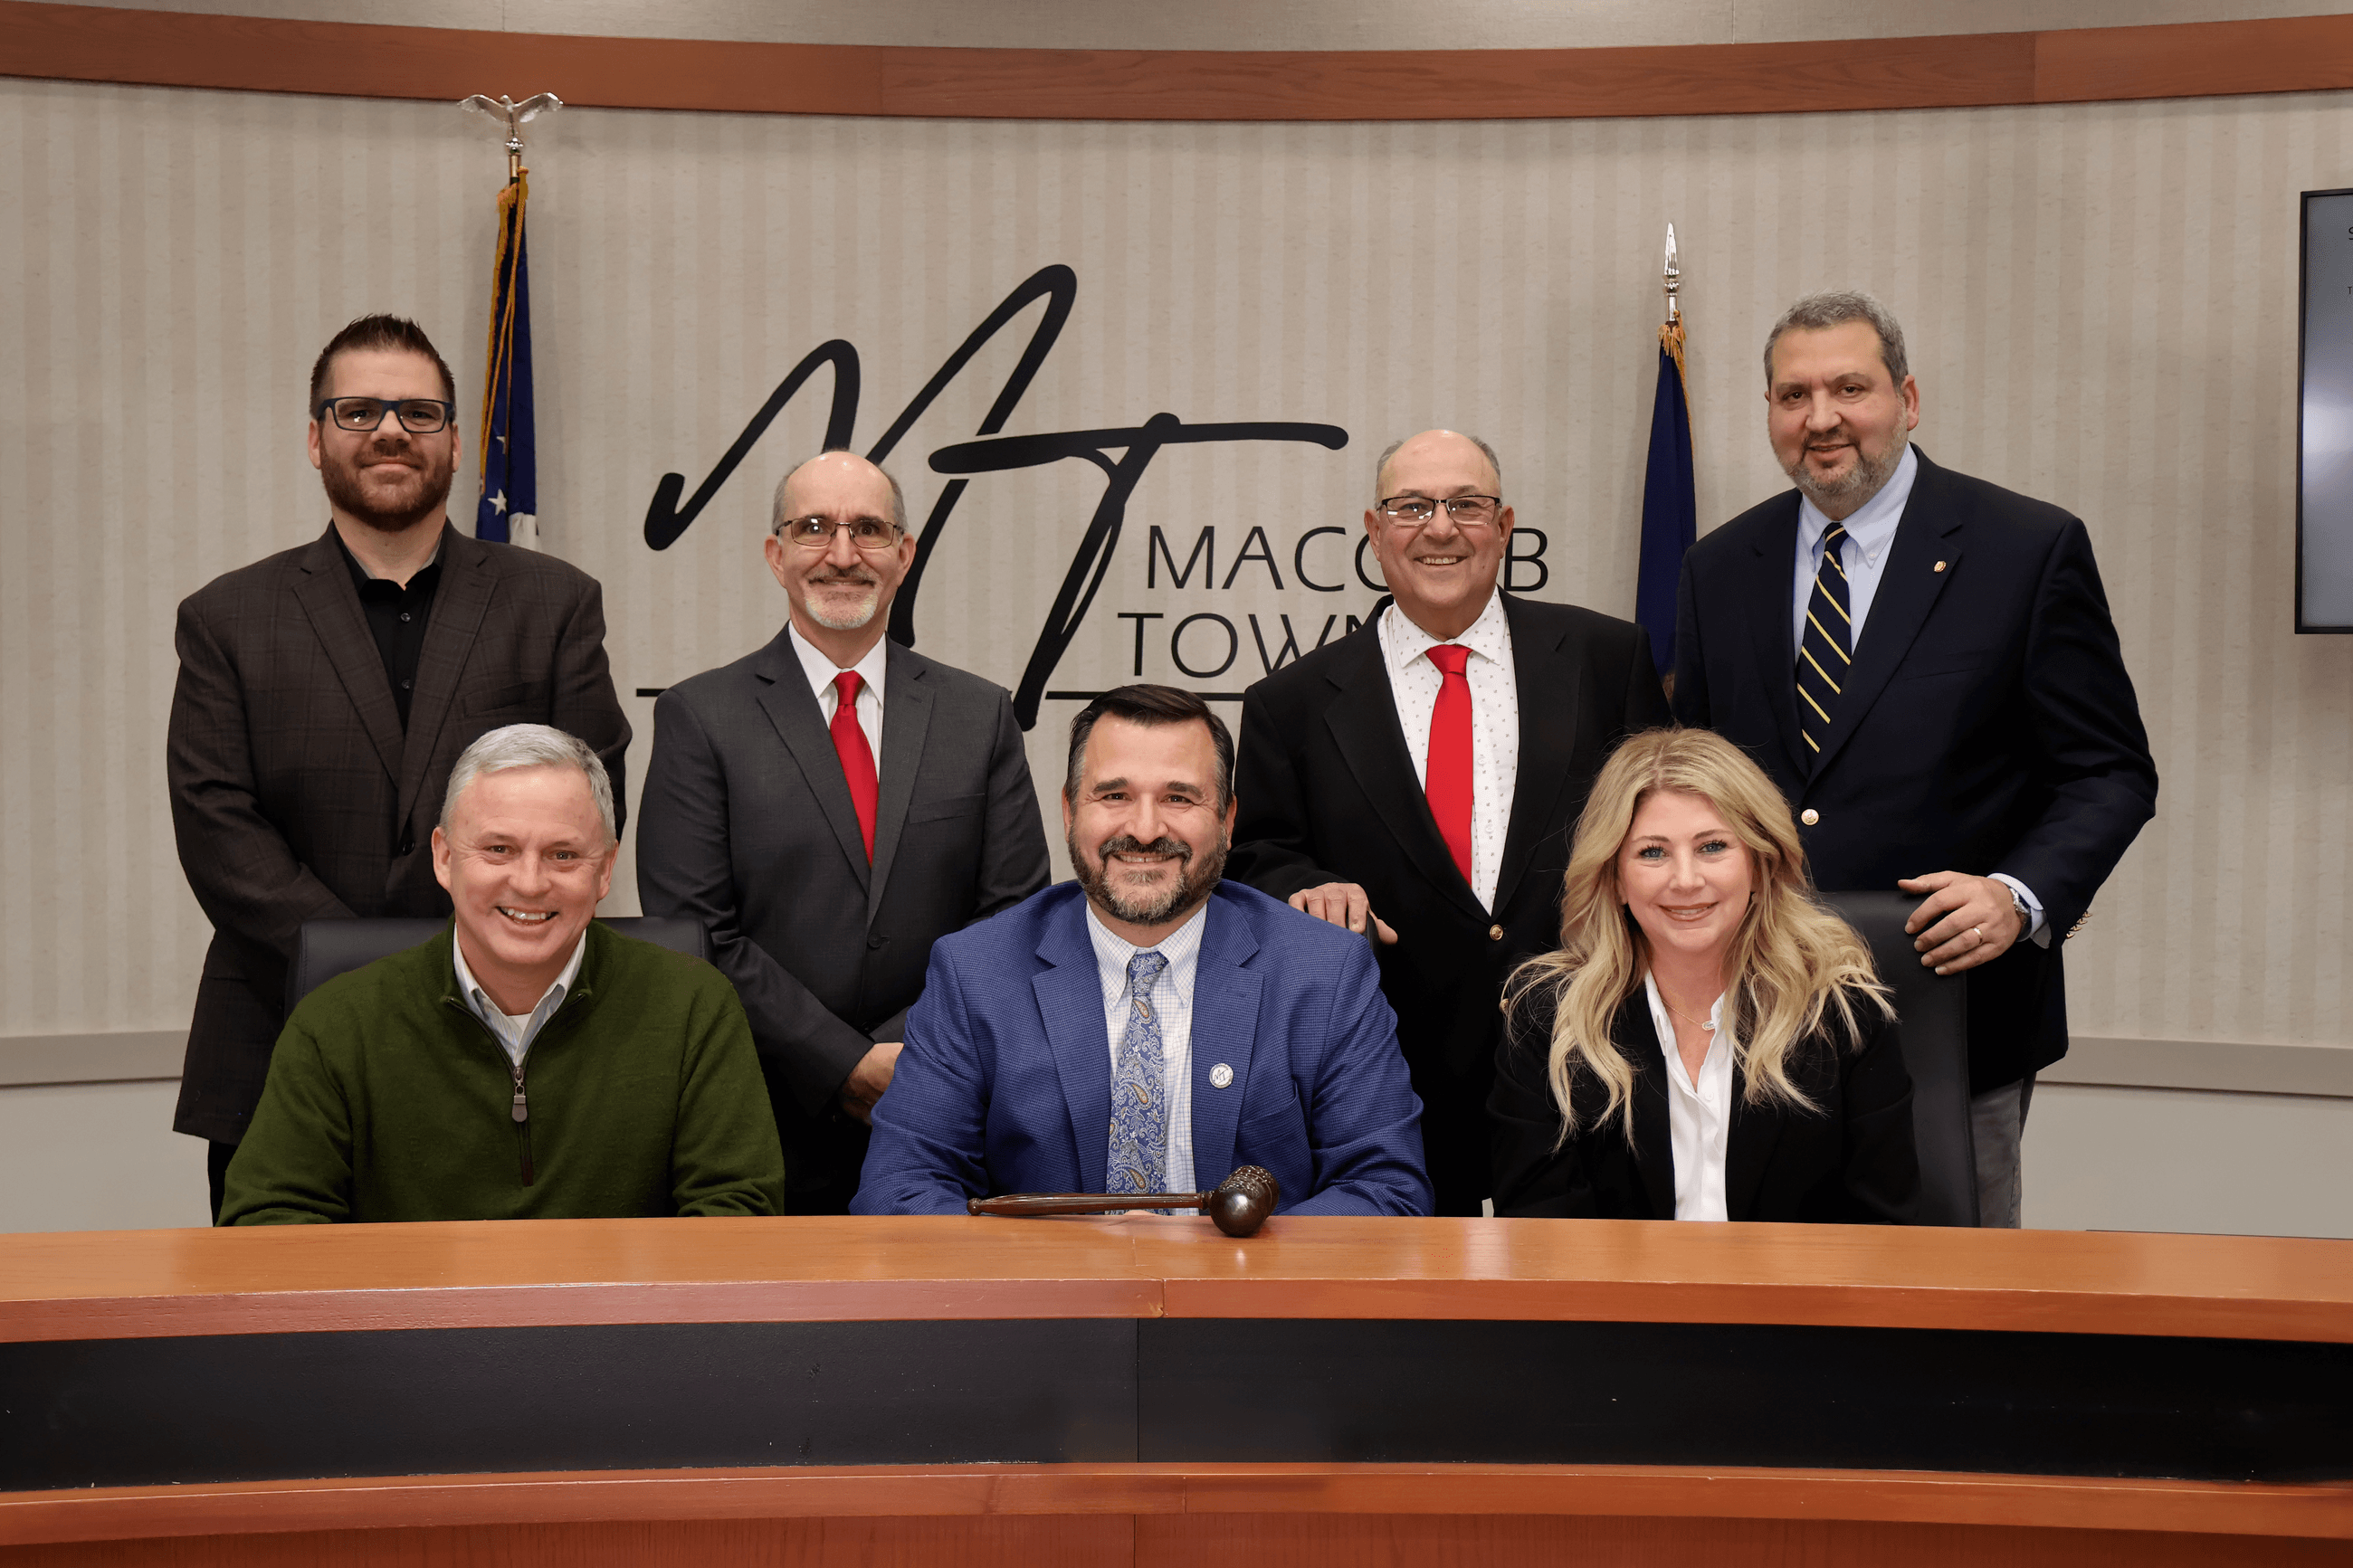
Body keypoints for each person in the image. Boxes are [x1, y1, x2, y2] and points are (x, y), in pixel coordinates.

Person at [1672, 290, 2158, 1227]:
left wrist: (2018, 895)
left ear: (1907, 398)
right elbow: (1695, 778)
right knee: (1758, 1304)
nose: (1820, 419)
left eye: (1848, 388)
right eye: (1791, 395)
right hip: (1753, 1010)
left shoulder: (2024, 547)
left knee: (1949, 1312)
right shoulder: (1717, 566)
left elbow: (2108, 770)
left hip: (1954, 1012)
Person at [168, 314, 630, 1219]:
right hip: (277, 1033)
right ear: (315, 438)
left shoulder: (553, 604)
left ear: (457, 443)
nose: (389, 430)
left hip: (506, 1041)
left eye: (419, 412)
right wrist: (372, 971)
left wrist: (460, 961)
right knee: (281, 1342)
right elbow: (218, 827)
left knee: (495, 1340)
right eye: (358, 410)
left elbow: (588, 793)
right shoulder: (228, 617)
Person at [1228, 430, 1671, 1215]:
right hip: (1390, 1087)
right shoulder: (1288, 704)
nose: (1440, 527)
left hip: (1589, 1069)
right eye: (1412, 507)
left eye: (1467, 505)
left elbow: (1662, 821)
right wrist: (1309, 885)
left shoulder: (1608, 658)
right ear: (1374, 530)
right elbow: (1259, 854)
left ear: (1504, 527)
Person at [636, 451, 1050, 1213]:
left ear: (905, 553)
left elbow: (1011, 917)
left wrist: (904, 1053)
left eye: (868, 529)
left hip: (943, 1114)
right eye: (814, 528)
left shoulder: (980, 715)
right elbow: (695, 932)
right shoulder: (700, 717)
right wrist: (843, 1062)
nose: (841, 554)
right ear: (776, 554)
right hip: (757, 1121)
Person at [853, 685, 1430, 1218]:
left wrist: (1206, 1264)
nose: (1146, 828)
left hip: (1250, 1317)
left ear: (1228, 819)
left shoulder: (1324, 970)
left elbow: (1387, 1190)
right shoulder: (975, 972)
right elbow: (899, 1189)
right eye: (1115, 795)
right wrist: (1077, 1268)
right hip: (1050, 1318)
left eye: (1179, 797)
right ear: (1069, 810)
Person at [220, 726, 784, 1224]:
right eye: (498, 849)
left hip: (622, 1337)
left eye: (563, 855)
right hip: (408, 1339)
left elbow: (737, 1214)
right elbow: (268, 1226)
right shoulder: (337, 1024)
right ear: (444, 858)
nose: (531, 883)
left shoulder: (693, 1005)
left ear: (606, 869)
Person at [1491, 727, 1917, 1223]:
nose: (1686, 880)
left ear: (1760, 863)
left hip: (1799, 1299)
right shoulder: (1547, 1020)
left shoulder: (1842, 1012)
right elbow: (1540, 1233)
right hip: (1614, 1301)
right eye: (1653, 852)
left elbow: (1883, 1231)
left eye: (1713, 846)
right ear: (1615, 879)